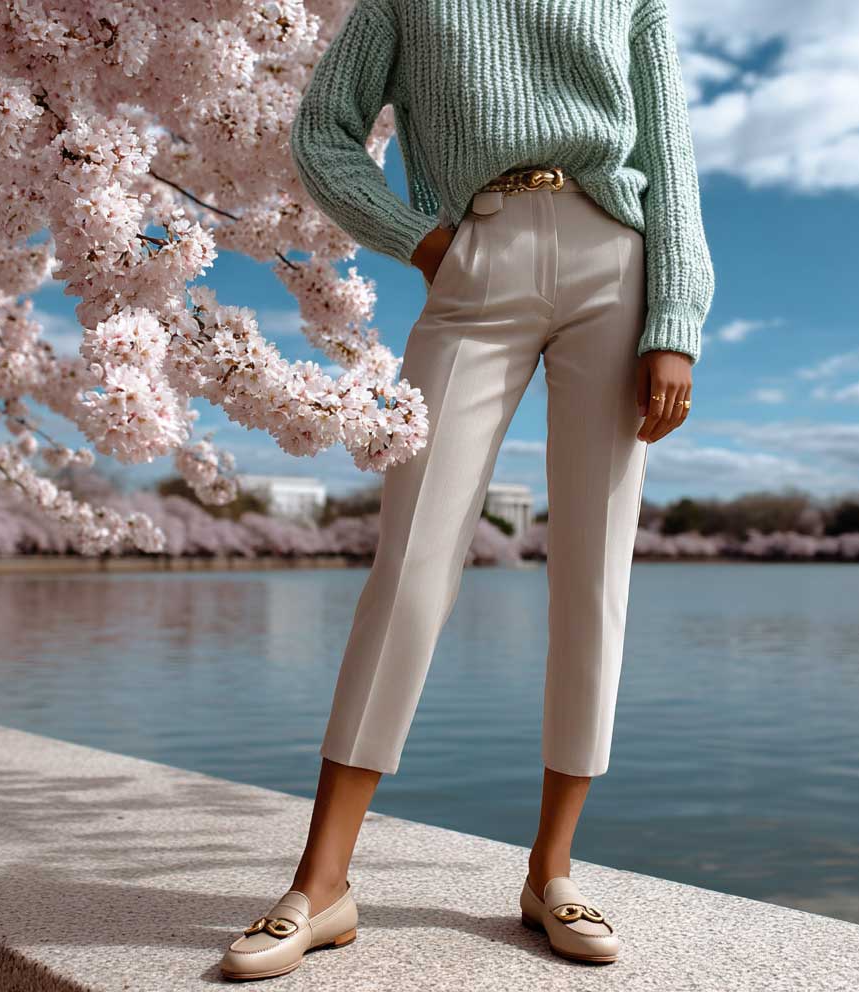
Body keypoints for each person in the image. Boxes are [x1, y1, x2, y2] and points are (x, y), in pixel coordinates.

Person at [218, 0, 714, 980]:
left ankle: (551, 871)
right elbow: (323, 131)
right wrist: (420, 240)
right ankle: (321, 883)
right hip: (474, 254)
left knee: (594, 574)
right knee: (410, 566)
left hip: (615, 262)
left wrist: (675, 319)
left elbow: (672, 160)